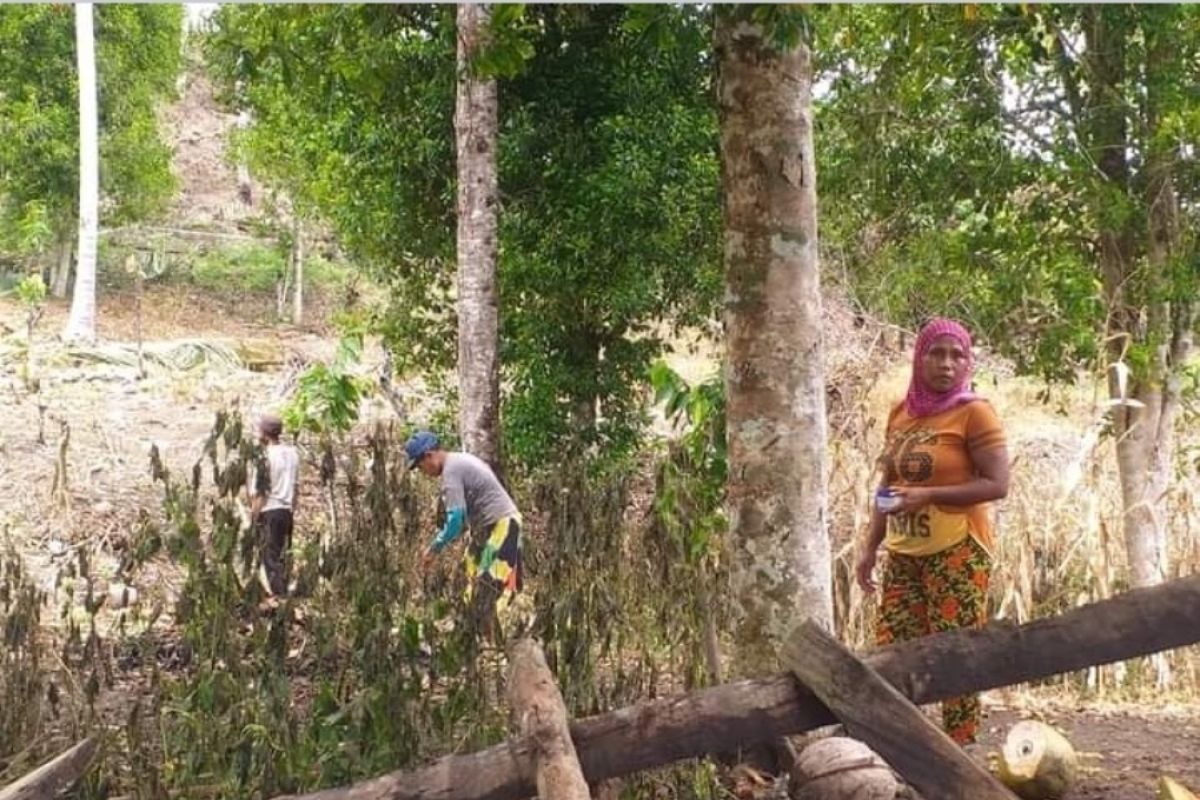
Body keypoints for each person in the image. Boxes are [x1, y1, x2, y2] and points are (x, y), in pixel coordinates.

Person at [855, 318, 1009, 746]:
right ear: (919, 357)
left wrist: (929, 494)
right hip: (905, 551)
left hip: (957, 549)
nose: (946, 364)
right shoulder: (902, 414)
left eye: (957, 355)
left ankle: (960, 754)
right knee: (891, 652)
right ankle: (897, 746)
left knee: (955, 651)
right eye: (936, 353)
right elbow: (886, 486)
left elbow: (998, 485)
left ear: (968, 362)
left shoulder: (974, 412)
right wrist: (870, 546)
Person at [406, 431, 524, 639]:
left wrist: (433, 549)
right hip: (492, 526)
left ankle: (495, 646)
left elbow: (455, 520)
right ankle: (472, 640)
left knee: (491, 588)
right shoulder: (460, 460)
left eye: (420, 466)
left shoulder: (451, 472)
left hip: (503, 526)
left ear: (429, 455)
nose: (423, 471)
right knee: (468, 578)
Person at [250, 413, 300, 598]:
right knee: (282, 555)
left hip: (269, 511)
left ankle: (280, 601)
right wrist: (291, 509)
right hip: (286, 512)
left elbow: (261, 492)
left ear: (264, 433)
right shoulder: (292, 453)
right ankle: (282, 594)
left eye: (258, 430)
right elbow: (296, 487)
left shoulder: (264, 458)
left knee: (270, 559)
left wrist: (253, 516)